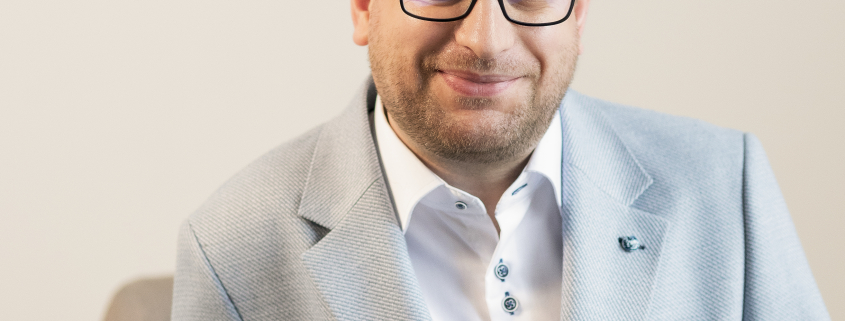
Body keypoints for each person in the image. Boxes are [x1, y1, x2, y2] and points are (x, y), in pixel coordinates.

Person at [171, 0, 830, 320]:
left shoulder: (726, 185)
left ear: (580, 15)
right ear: (364, 7)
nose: (485, 39)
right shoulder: (230, 250)